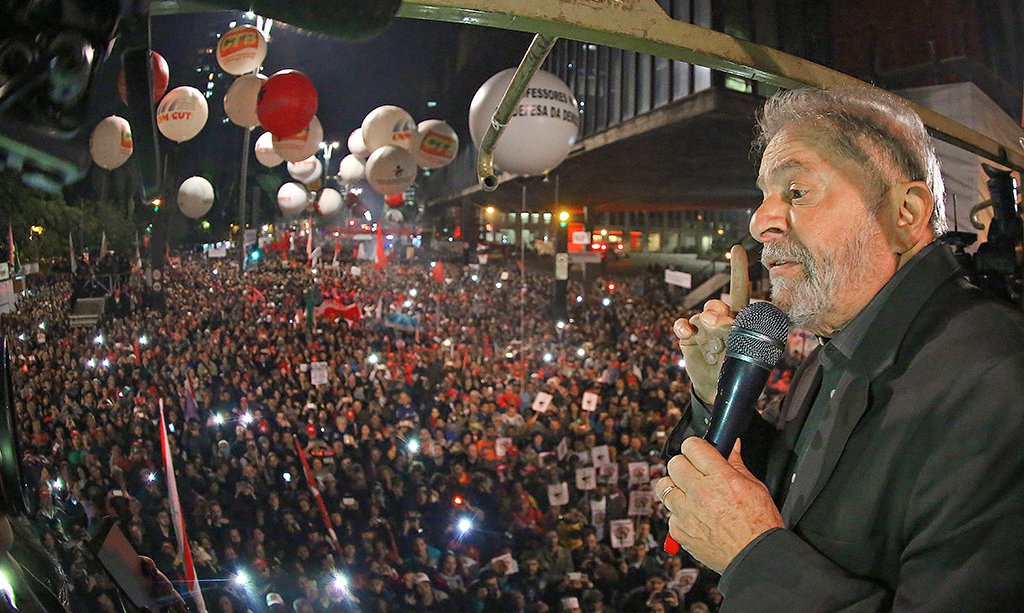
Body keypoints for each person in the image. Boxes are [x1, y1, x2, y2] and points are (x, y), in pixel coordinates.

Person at [659, 87, 1024, 610]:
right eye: (764, 194)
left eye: (797, 191)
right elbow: (787, 491)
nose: (760, 221)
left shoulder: (996, 385)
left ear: (906, 212)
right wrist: (719, 399)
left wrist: (755, 556)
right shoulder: (834, 352)